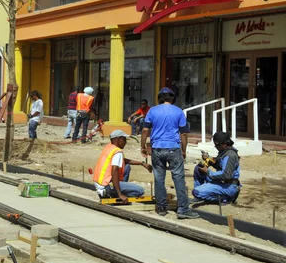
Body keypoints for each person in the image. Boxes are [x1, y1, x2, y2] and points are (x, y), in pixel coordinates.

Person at [141, 87, 198, 219]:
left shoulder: (152, 111)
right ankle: (183, 209)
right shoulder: (178, 111)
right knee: (178, 178)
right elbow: (183, 133)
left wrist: (143, 146)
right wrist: (183, 150)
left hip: (157, 148)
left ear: (159, 98)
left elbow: (145, 130)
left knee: (159, 178)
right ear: (172, 98)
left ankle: (161, 207)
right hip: (173, 148)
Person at [93, 130, 152, 203]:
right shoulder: (117, 152)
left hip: (100, 183)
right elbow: (114, 172)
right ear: (117, 140)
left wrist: (141, 163)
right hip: (106, 185)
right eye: (124, 139)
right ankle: (116, 194)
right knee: (140, 191)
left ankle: (113, 192)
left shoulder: (109, 147)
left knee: (126, 167)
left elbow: (124, 161)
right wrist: (120, 194)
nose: (125, 142)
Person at [192, 132, 241, 204]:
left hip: (228, 186)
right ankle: (199, 197)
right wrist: (208, 159)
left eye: (217, 145)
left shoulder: (230, 155)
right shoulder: (224, 151)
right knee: (198, 168)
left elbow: (226, 175)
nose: (216, 147)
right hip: (222, 182)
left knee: (196, 192)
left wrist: (208, 172)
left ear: (225, 144)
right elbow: (219, 164)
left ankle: (225, 198)